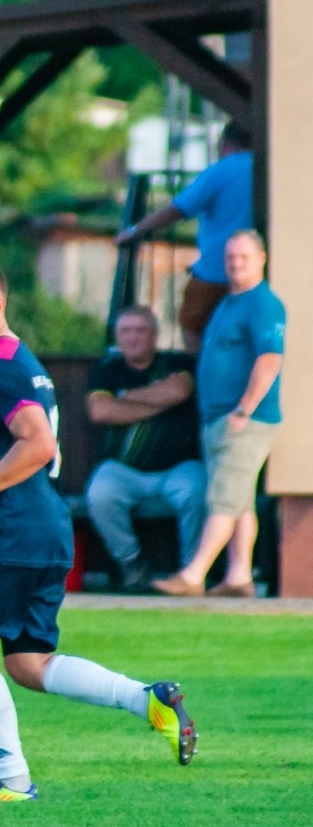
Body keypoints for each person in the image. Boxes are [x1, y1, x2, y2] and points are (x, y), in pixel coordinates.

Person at [0, 258, 196, 805]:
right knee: (29, 663)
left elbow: (37, 445)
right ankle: (146, 699)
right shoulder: (16, 359)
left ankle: (11, 780)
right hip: (43, 527)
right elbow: (21, 445)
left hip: (8, 533)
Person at [154, 231, 283, 598]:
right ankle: (239, 577)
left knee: (224, 498)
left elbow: (271, 358)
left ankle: (194, 575)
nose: (235, 264)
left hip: (246, 419)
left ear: (262, 258)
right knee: (239, 501)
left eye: (243, 257)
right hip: (218, 417)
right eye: (230, 258)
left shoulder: (263, 304)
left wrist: (244, 409)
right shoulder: (230, 302)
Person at [85, 307, 205, 593]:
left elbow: (180, 391)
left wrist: (126, 398)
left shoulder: (175, 361)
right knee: (99, 494)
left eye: (140, 330)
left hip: (178, 467)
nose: (133, 337)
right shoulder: (107, 369)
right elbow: (101, 411)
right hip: (124, 469)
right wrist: (159, 401)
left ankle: (192, 571)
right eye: (126, 331)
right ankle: (132, 564)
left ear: (154, 335)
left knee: (198, 490)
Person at [116, 121, 253, 352]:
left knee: (191, 323)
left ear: (224, 143)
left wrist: (134, 230)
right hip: (257, 273)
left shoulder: (221, 171)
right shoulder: (267, 167)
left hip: (216, 271)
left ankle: (203, 375)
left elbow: (178, 209)